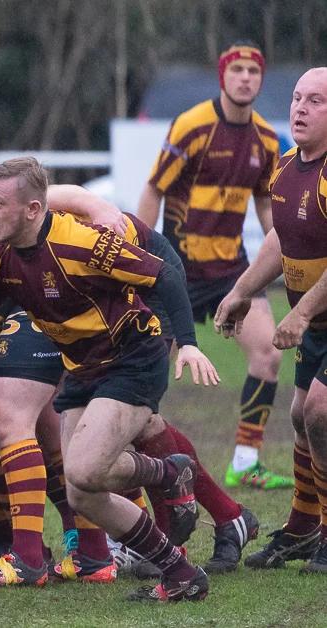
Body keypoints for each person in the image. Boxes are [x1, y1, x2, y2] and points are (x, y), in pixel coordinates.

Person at [0, 158, 214, 601]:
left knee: (85, 470)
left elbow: (162, 274)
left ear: (33, 209)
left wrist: (187, 343)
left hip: (132, 359)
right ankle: (181, 572)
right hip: (83, 367)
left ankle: (169, 472)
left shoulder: (81, 243)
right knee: (82, 494)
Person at [138, 41, 287, 490]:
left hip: (231, 272)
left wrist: (288, 245)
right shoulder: (193, 125)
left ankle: (245, 462)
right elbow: (154, 188)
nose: (245, 78)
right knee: (148, 368)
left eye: (253, 71)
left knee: (268, 354)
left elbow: (266, 204)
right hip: (177, 268)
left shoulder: (266, 139)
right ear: (223, 76)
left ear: (261, 80)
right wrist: (141, 254)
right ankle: (136, 461)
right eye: (237, 70)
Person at [217, 67, 327, 574]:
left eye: (316, 101)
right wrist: (241, 291)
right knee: (301, 417)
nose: (300, 108)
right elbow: (280, 238)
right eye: (297, 98)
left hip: (315, 318)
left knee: (320, 413)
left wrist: (300, 312)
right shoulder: (285, 168)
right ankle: (303, 528)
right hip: (318, 325)